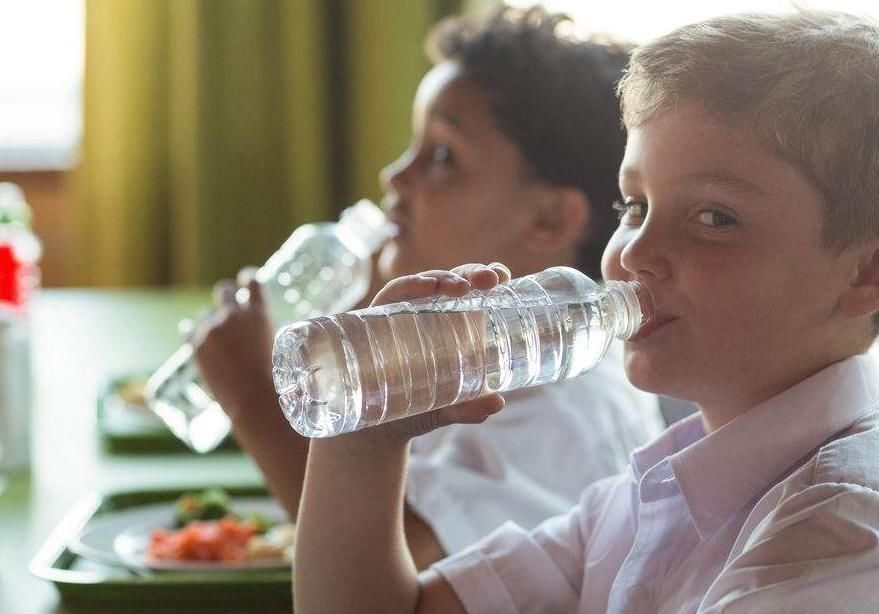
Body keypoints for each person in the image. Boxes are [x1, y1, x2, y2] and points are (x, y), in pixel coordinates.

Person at [293, 9, 879, 614]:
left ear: (871, 271)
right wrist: (364, 436)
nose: (633, 253)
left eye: (714, 218)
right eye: (635, 205)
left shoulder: (853, 543)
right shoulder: (656, 494)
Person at [192, 6, 664, 569]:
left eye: (442, 156)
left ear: (550, 221)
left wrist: (254, 398)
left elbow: (400, 578)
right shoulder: (469, 348)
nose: (395, 176)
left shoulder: (566, 406)